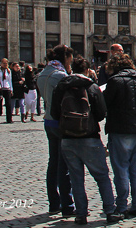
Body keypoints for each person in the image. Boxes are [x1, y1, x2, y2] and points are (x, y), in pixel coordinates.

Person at [52, 56, 121, 225]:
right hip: (89, 137)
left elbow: (54, 113)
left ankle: (81, 214)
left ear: (71, 68)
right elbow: (101, 113)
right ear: (87, 70)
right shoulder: (92, 87)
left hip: (68, 138)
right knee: (102, 176)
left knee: (76, 179)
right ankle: (110, 211)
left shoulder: (61, 87)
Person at [103, 53, 136, 218]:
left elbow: (105, 104)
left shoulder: (114, 81)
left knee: (121, 169)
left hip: (119, 128)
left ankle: (121, 205)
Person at [37, 45, 76, 217]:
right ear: (65, 57)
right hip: (61, 122)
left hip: (48, 121)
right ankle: (67, 204)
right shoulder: (60, 75)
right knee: (64, 165)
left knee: (53, 163)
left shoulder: (43, 73)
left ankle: (54, 202)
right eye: (70, 59)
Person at [0, 58, 14, 124]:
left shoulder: (8, 71)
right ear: (1, 63)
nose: (5, 65)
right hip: (0, 88)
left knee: (8, 104)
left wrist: (11, 89)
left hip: (7, 88)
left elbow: (10, 80)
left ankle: (9, 119)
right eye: (4, 63)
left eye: (6, 63)